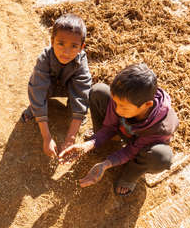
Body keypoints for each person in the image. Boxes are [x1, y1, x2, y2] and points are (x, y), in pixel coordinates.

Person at [59, 63, 179, 196]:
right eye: (115, 103)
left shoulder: (160, 128)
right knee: (98, 91)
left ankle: (129, 177)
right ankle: (108, 139)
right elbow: (110, 126)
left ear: (147, 105)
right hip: (124, 129)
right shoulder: (124, 99)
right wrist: (88, 145)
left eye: (123, 107)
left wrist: (105, 164)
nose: (117, 109)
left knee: (161, 156)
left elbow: (131, 150)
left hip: (142, 144)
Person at [21, 13, 92, 158]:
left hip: (68, 89)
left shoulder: (81, 62)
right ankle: (34, 110)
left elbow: (81, 94)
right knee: (38, 92)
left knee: (80, 102)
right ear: (52, 41)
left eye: (74, 46)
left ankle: (76, 116)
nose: (66, 52)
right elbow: (38, 89)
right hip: (50, 87)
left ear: (81, 47)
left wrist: (70, 138)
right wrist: (47, 138)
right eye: (61, 43)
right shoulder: (44, 58)